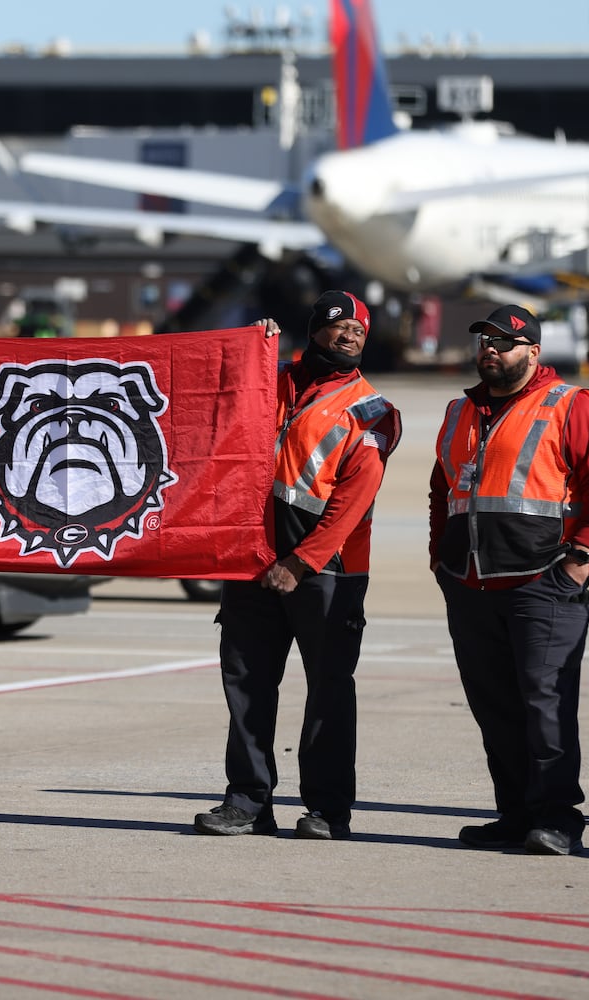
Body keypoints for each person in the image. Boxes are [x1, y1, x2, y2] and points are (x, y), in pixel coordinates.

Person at [194, 291, 401, 839]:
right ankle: (247, 802)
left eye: (361, 329)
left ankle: (328, 811)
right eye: (341, 326)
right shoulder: (270, 380)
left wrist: (302, 562)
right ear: (315, 331)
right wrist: (249, 349)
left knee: (329, 692)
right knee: (246, 688)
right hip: (251, 565)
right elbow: (209, 401)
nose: (353, 334)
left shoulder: (374, 412)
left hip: (328, 573)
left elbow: (354, 500)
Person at [430, 304, 589, 857]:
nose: (489, 348)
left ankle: (558, 818)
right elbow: (441, 486)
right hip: (470, 583)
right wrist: (438, 555)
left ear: (533, 352)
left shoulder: (568, 402)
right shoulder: (459, 410)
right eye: (484, 340)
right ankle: (515, 815)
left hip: (542, 581)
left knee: (546, 704)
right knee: (494, 706)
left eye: (503, 341)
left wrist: (582, 551)